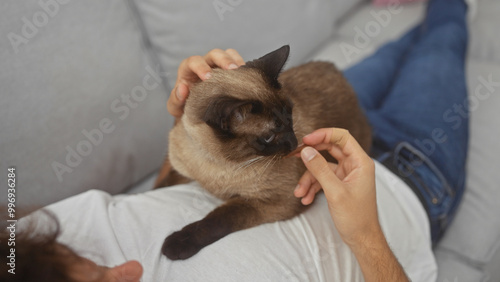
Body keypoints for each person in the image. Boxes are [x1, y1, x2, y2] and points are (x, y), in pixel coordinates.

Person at [1, 0, 470, 281]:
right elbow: (280, 200)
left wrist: (189, 116)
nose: (121, 271)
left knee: (400, 48)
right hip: (410, 176)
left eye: (96, 270)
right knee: (444, 42)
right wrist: (367, 236)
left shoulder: (33, 243)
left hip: (327, 98)